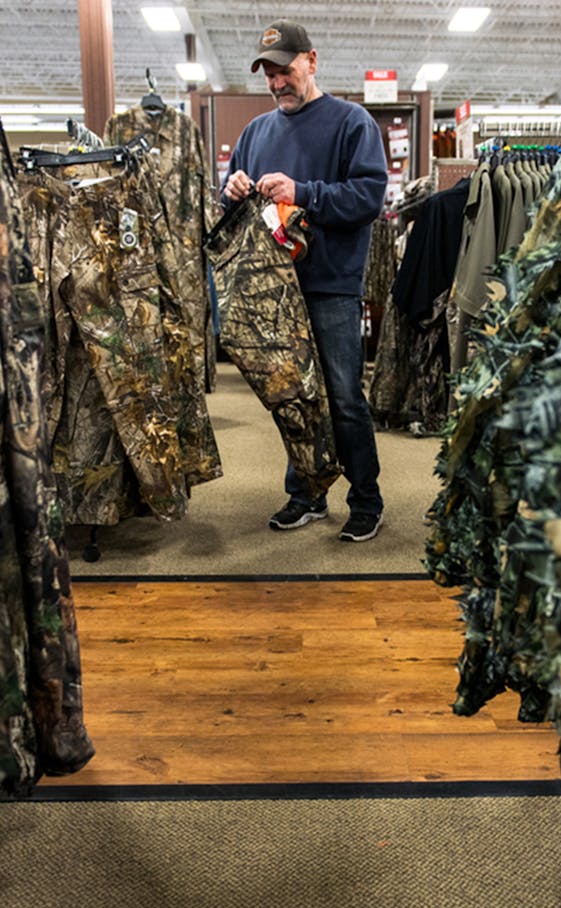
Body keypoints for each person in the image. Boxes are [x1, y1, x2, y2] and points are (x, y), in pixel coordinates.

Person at [222, 19, 389, 543]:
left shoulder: (352, 123)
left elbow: (368, 199)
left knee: (342, 396)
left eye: (285, 71)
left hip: (331, 285)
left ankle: (366, 499)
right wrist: (230, 191)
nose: (276, 84)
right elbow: (226, 202)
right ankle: (306, 494)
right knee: (292, 397)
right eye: (268, 75)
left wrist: (304, 192)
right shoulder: (255, 133)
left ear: (311, 62)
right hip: (271, 291)